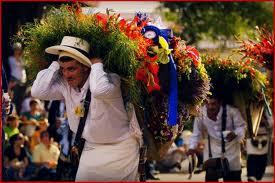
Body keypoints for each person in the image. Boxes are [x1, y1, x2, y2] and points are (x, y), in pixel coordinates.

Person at [31, 36, 141, 181]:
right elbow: (37, 91)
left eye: (71, 69)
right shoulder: (65, 85)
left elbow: (98, 91)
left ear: (85, 67)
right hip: (91, 149)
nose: (66, 75)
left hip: (120, 150)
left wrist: (96, 65)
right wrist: (55, 65)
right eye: (63, 69)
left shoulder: (110, 79)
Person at [187, 95, 246, 181]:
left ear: (220, 103)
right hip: (212, 155)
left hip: (231, 153)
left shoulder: (232, 111)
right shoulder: (201, 113)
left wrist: (235, 133)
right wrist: (192, 148)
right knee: (211, 177)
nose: (210, 107)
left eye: (213, 104)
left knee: (233, 178)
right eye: (208, 104)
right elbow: (196, 133)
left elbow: (242, 127)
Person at [246, 110, 273, 181]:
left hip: (263, 138)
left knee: (262, 160)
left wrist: (263, 120)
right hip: (252, 138)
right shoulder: (250, 106)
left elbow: (271, 123)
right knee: (251, 159)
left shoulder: (266, 109)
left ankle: (258, 176)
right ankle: (251, 176)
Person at [8, 42, 27, 113]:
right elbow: (16, 66)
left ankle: (18, 114)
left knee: (21, 98)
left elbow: (24, 66)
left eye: (19, 49)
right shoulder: (11, 58)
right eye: (16, 49)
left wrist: (20, 57)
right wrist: (19, 58)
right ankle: (12, 113)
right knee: (14, 98)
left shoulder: (22, 58)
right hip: (15, 80)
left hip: (23, 81)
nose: (18, 51)